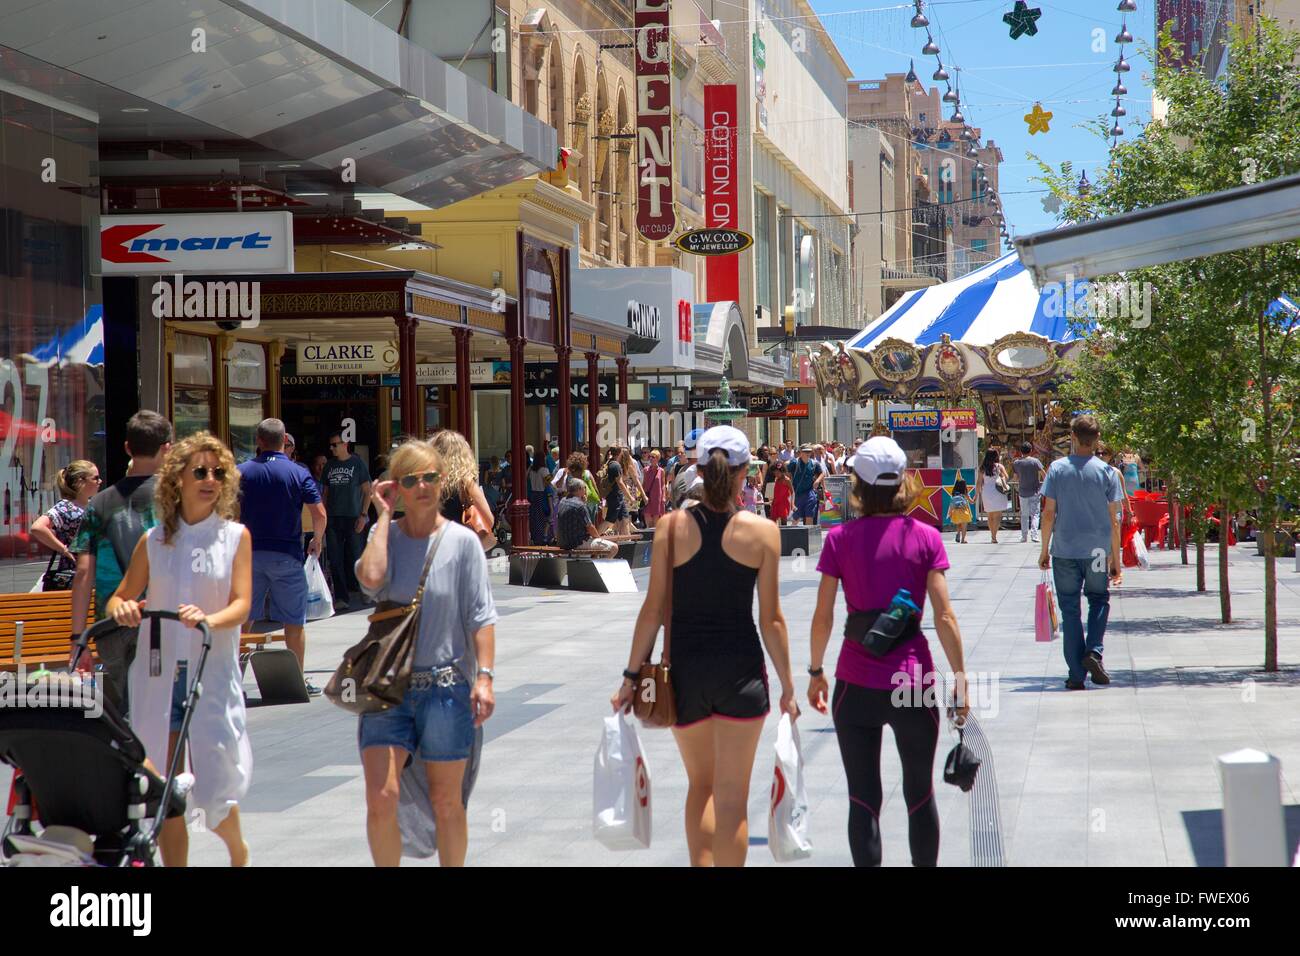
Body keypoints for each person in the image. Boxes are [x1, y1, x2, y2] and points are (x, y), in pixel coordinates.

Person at [612, 425, 797, 867]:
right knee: (733, 798)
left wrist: (630, 677)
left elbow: (653, 611)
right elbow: (771, 620)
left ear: (697, 468)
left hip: (687, 675)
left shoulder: (669, 528)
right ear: (744, 473)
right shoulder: (764, 532)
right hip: (743, 672)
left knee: (702, 787)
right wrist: (790, 684)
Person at [808, 436, 968, 868]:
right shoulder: (926, 537)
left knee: (863, 798)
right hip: (912, 682)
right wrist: (960, 677)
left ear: (857, 483)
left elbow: (823, 617)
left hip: (855, 681)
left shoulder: (839, 539)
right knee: (920, 793)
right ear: (903, 481)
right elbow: (945, 615)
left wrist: (815, 670)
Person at [106, 431, 253, 867]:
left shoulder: (235, 537)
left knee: (211, 787)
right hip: (159, 670)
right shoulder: (153, 541)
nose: (210, 479)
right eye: (200, 471)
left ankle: (237, 851)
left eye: (219, 472)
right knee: (164, 785)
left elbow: (242, 604)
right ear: (178, 480)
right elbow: (120, 596)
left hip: (210, 668)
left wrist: (209, 619)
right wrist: (125, 609)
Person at [355, 439, 497, 867]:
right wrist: (382, 515)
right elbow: (371, 580)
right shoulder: (389, 538)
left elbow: (481, 616)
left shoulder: (462, 543)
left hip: (446, 689)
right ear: (396, 486)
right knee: (382, 799)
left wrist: (485, 677)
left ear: (442, 481)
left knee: (446, 801)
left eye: (430, 478)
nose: (422, 487)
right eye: (410, 480)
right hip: (387, 689)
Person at [70, 411, 174, 716]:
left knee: (122, 712)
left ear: (128, 448)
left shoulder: (100, 503)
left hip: (110, 622)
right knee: (160, 712)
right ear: (167, 448)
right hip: (163, 619)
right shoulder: (177, 499)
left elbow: (83, 573)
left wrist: (79, 638)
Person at [237, 418, 328, 694]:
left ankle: (232, 681)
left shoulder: (241, 472)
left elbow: (227, 509)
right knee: (293, 621)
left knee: (243, 620)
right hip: (287, 554)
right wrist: (317, 540)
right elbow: (319, 513)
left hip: (249, 555)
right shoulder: (298, 473)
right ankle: (296, 680)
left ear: (258, 441)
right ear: (284, 441)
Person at [1038, 415, 1124, 691]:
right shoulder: (1108, 473)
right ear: (1097, 439)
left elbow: (1048, 512)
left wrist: (1043, 550)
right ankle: (1094, 652)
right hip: (1098, 550)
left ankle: (1076, 675)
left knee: (1070, 609)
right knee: (1099, 599)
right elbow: (1114, 520)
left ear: (1073, 438)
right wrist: (1117, 561)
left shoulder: (1057, 469)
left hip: (1064, 549)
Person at [31, 460, 100, 591]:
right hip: (74, 574)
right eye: (95, 478)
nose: (99, 481)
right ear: (81, 481)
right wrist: (63, 549)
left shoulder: (93, 504)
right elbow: (37, 528)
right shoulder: (66, 506)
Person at [322, 432, 372, 611]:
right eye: (331, 445)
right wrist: (323, 515)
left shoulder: (357, 463)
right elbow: (325, 493)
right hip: (334, 518)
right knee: (335, 559)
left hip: (353, 516)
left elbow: (368, 490)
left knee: (357, 556)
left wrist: (363, 515)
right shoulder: (329, 465)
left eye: (335, 445)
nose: (332, 448)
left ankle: (365, 589)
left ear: (345, 444)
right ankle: (342, 597)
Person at [431, 430, 498, 552]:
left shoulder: (427, 481)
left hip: (433, 545)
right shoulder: (465, 482)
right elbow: (489, 519)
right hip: (459, 547)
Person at [554, 478, 619, 557]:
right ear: (579, 489)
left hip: (562, 542)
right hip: (577, 543)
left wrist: (583, 503)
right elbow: (590, 527)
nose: (586, 490)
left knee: (596, 548)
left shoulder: (562, 501)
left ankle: (594, 565)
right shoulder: (580, 505)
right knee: (614, 548)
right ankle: (599, 568)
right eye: (585, 488)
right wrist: (598, 538)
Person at [1014, 442, 1046, 544]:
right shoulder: (1035, 461)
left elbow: (1015, 478)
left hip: (1022, 491)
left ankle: (1024, 536)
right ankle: (1034, 535)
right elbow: (1044, 474)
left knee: (1024, 514)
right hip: (1035, 491)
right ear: (1031, 450)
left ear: (1020, 451)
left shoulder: (1017, 463)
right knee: (1035, 514)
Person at [975, 448, 1009, 543]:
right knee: (997, 516)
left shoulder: (982, 468)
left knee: (990, 515)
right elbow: (1006, 477)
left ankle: (992, 535)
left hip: (986, 492)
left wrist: (976, 495)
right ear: (996, 456)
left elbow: (979, 482)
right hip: (998, 491)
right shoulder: (999, 466)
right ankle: (994, 536)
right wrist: (1001, 476)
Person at [789, 444, 825, 526]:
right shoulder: (794, 462)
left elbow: (822, 473)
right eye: (805, 451)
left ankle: (809, 536)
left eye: (809, 451)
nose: (808, 453)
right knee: (796, 517)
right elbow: (787, 473)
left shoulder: (814, 463)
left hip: (809, 493)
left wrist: (818, 481)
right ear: (801, 452)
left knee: (810, 515)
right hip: (797, 494)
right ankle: (790, 536)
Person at [600, 454, 633, 536]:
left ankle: (627, 542)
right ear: (619, 453)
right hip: (615, 496)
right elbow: (620, 483)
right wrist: (630, 497)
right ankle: (594, 536)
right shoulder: (615, 465)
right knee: (609, 520)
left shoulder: (609, 463)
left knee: (625, 519)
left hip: (617, 496)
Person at [526, 450, 552, 544]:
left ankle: (535, 537)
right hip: (542, 494)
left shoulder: (532, 470)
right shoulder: (544, 470)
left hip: (533, 494)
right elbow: (549, 482)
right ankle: (543, 538)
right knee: (544, 516)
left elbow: (525, 476)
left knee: (535, 517)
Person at [641, 449, 666, 527]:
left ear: (658, 458)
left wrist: (664, 497)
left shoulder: (661, 471)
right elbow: (643, 483)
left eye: (653, 457)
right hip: (648, 498)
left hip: (657, 498)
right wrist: (641, 495)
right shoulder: (645, 470)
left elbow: (663, 485)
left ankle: (655, 538)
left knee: (657, 524)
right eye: (650, 457)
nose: (651, 458)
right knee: (648, 522)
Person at [949, 475, 972, 543]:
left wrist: (950, 513)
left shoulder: (954, 494)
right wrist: (975, 497)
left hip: (956, 511)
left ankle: (958, 533)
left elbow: (952, 504)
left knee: (959, 524)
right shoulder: (965, 493)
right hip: (964, 511)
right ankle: (963, 539)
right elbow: (971, 501)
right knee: (964, 526)